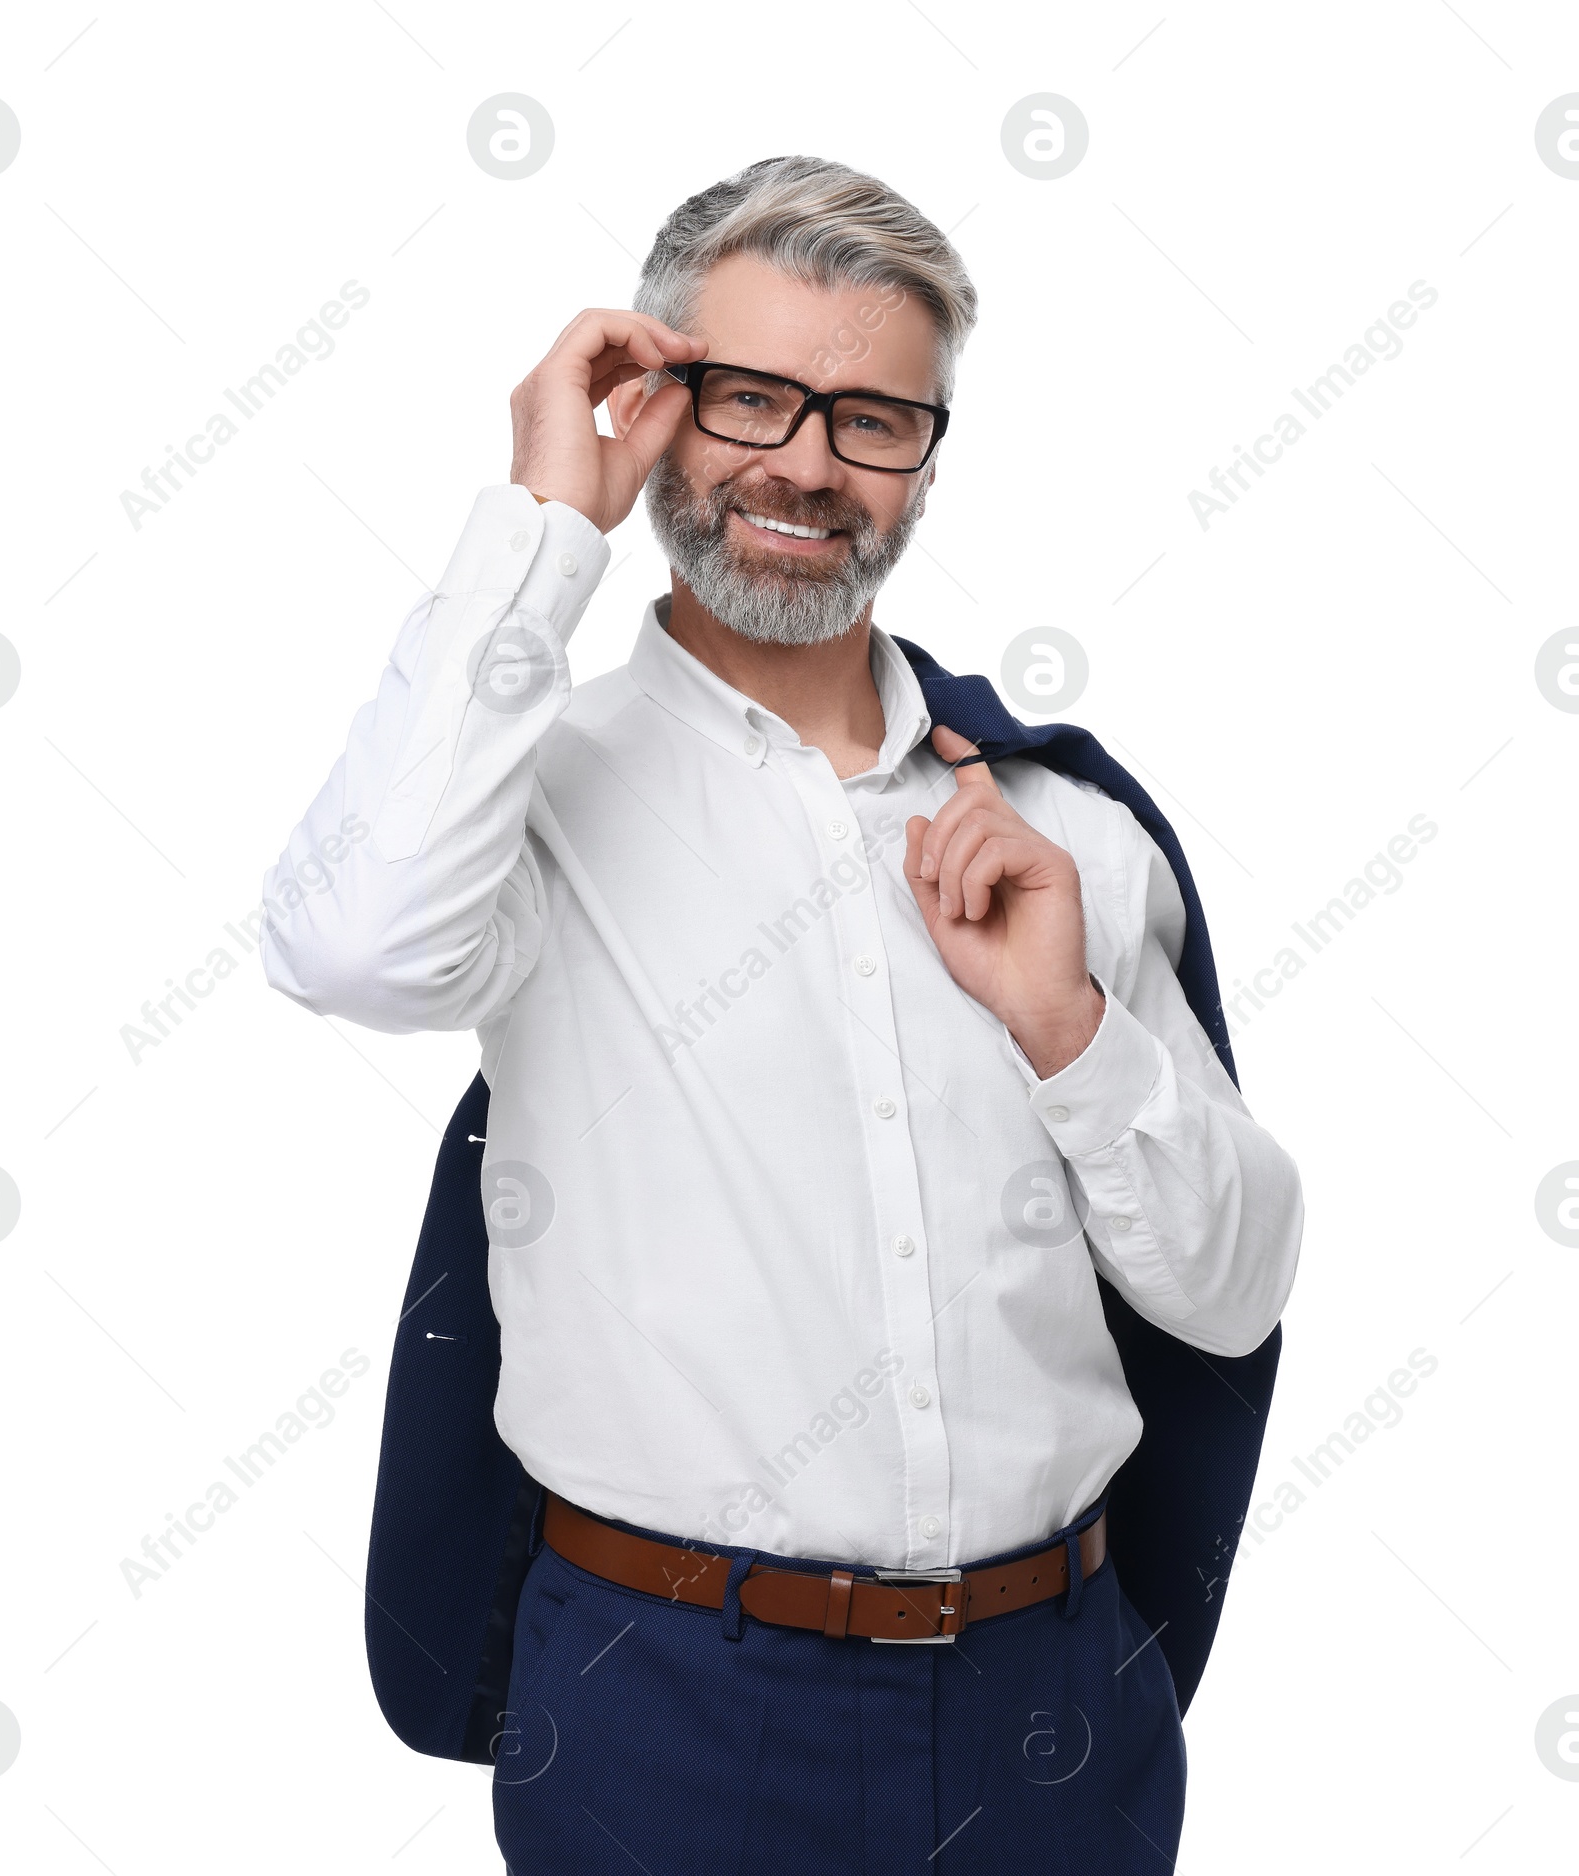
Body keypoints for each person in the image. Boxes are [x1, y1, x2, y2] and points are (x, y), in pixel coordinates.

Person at [261, 153, 1303, 1874]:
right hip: (660, 1702)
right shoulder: (525, 793)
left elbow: (1234, 1287)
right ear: (653, 403)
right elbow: (352, 950)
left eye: (873, 418)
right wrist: (540, 523)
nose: (806, 464)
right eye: (750, 397)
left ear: (925, 459)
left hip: (1051, 1713)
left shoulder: (1068, 833)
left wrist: (1071, 1032)